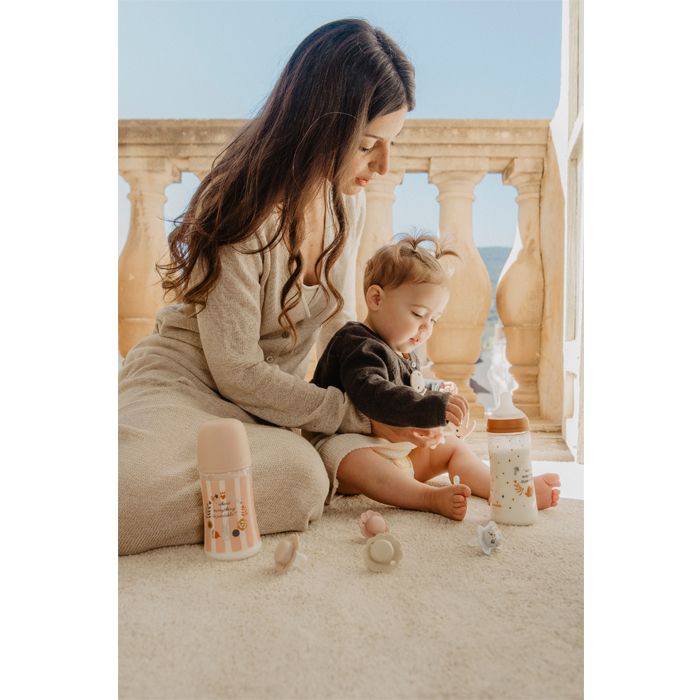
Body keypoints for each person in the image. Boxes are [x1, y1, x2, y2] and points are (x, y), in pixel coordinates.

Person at [118, 18, 442, 555]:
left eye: (391, 144)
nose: (384, 165)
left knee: (301, 479)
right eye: (368, 145)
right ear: (322, 126)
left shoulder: (347, 203)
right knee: (134, 493)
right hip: (182, 386)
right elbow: (237, 369)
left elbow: (340, 332)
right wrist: (356, 415)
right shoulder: (241, 209)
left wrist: (387, 398)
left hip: (261, 409)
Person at [309, 234, 561, 520]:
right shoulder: (357, 343)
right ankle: (425, 497)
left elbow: (409, 393)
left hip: (392, 452)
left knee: (451, 447)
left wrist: (440, 406)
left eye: (434, 320)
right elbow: (375, 395)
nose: (426, 328)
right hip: (346, 454)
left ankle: (504, 489)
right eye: (418, 314)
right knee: (347, 455)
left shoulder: (402, 350)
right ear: (376, 298)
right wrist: (431, 407)